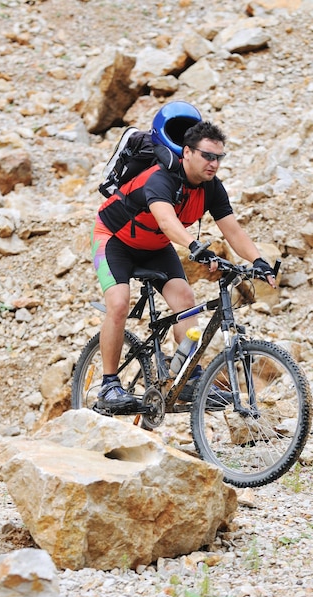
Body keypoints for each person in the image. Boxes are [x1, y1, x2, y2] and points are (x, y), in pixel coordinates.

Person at [92, 101, 276, 411]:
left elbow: (233, 231)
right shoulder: (159, 178)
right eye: (207, 156)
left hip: (156, 247)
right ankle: (109, 385)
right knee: (119, 303)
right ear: (187, 152)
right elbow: (166, 220)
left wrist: (258, 260)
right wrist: (194, 246)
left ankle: (188, 380)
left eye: (219, 158)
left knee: (187, 303)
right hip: (114, 241)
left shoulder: (212, 188)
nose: (214, 164)